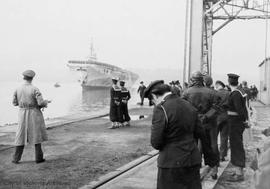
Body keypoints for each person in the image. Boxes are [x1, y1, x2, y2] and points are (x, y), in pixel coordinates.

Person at [144, 80, 202, 189]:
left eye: (152, 101)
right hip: (192, 160)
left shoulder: (161, 109)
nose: (154, 104)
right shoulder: (189, 106)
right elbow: (200, 133)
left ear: (154, 96)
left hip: (170, 164)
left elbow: (156, 142)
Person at [183, 71, 220, 180]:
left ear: (193, 80)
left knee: (193, 147)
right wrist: (206, 116)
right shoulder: (212, 92)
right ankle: (214, 168)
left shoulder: (186, 92)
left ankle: (195, 169)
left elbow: (183, 109)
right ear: (202, 80)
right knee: (212, 145)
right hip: (209, 123)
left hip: (193, 123)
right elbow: (216, 108)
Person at [12, 70, 51, 164]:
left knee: (20, 135)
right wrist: (46, 102)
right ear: (32, 78)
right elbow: (40, 103)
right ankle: (39, 158)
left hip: (22, 114)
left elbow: (14, 103)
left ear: (23, 77)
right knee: (36, 135)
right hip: (34, 113)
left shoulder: (17, 89)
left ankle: (15, 159)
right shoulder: (35, 89)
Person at [226, 73, 249, 181]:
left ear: (229, 82)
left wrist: (243, 120)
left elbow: (239, 110)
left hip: (235, 123)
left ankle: (239, 174)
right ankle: (237, 170)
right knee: (236, 146)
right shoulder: (240, 91)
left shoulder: (235, 93)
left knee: (236, 147)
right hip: (237, 123)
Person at [215, 80, 230, 161]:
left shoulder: (215, 93)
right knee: (224, 137)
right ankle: (222, 155)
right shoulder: (228, 93)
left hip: (216, 117)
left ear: (217, 86)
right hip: (226, 116)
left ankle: (216, 155)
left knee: (214, 137)